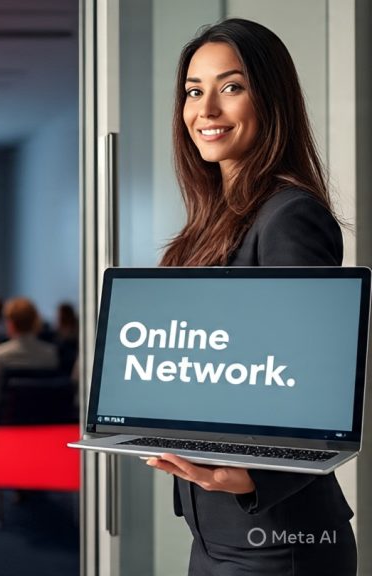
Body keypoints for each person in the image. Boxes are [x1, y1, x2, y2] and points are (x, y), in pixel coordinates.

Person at [145, 19, 355, 575]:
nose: (206, 109)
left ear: (271, 99)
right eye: (194, 91)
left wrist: (260, 475)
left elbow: (317, 379)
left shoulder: (290, 216)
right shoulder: (212, 221)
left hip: (280, 539)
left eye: (231, 87)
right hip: (216, 533)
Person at [0, 298, 59, 414]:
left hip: (8, 424)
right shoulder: (51, 353)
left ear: (11, 323)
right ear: (35, 321)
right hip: (43, 421)